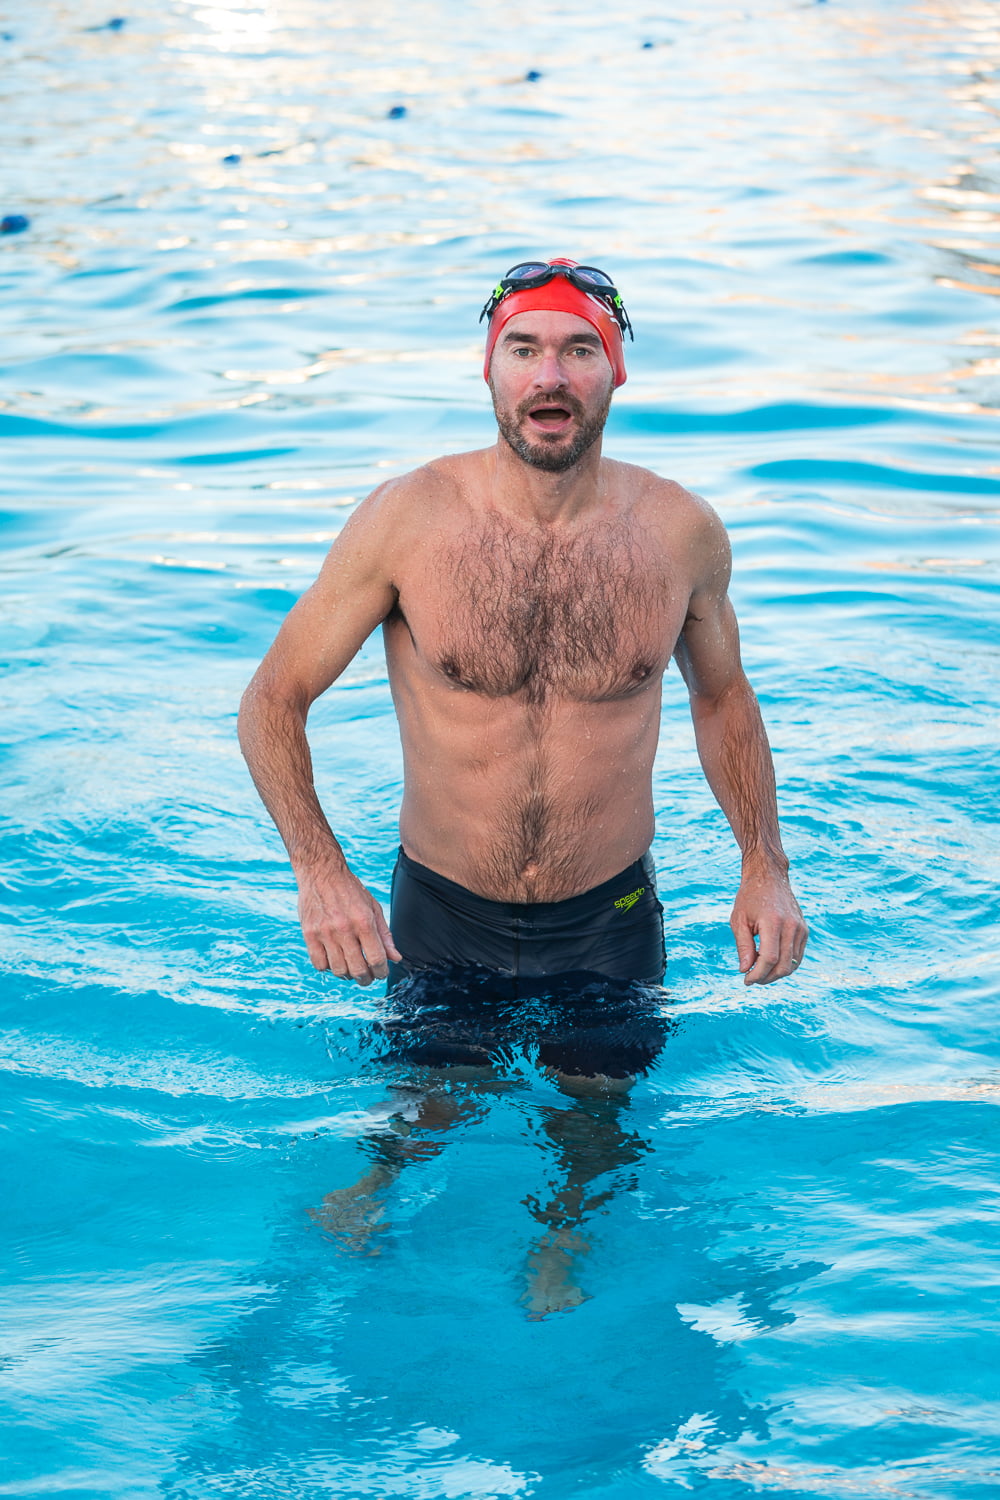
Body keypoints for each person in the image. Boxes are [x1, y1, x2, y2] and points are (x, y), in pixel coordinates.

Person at [237, 257, 808, 1011]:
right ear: (490, 369)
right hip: (440, 918)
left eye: (579, 349)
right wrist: (321, 873)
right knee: (418, 1124)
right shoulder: (407, 520)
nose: (551, 376)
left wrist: (765, 867)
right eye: (524, 349)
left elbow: (724, 699)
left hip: (610, 920)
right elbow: (273, 700)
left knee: (601, 1128)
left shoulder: (679, 532)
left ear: (616, 371)